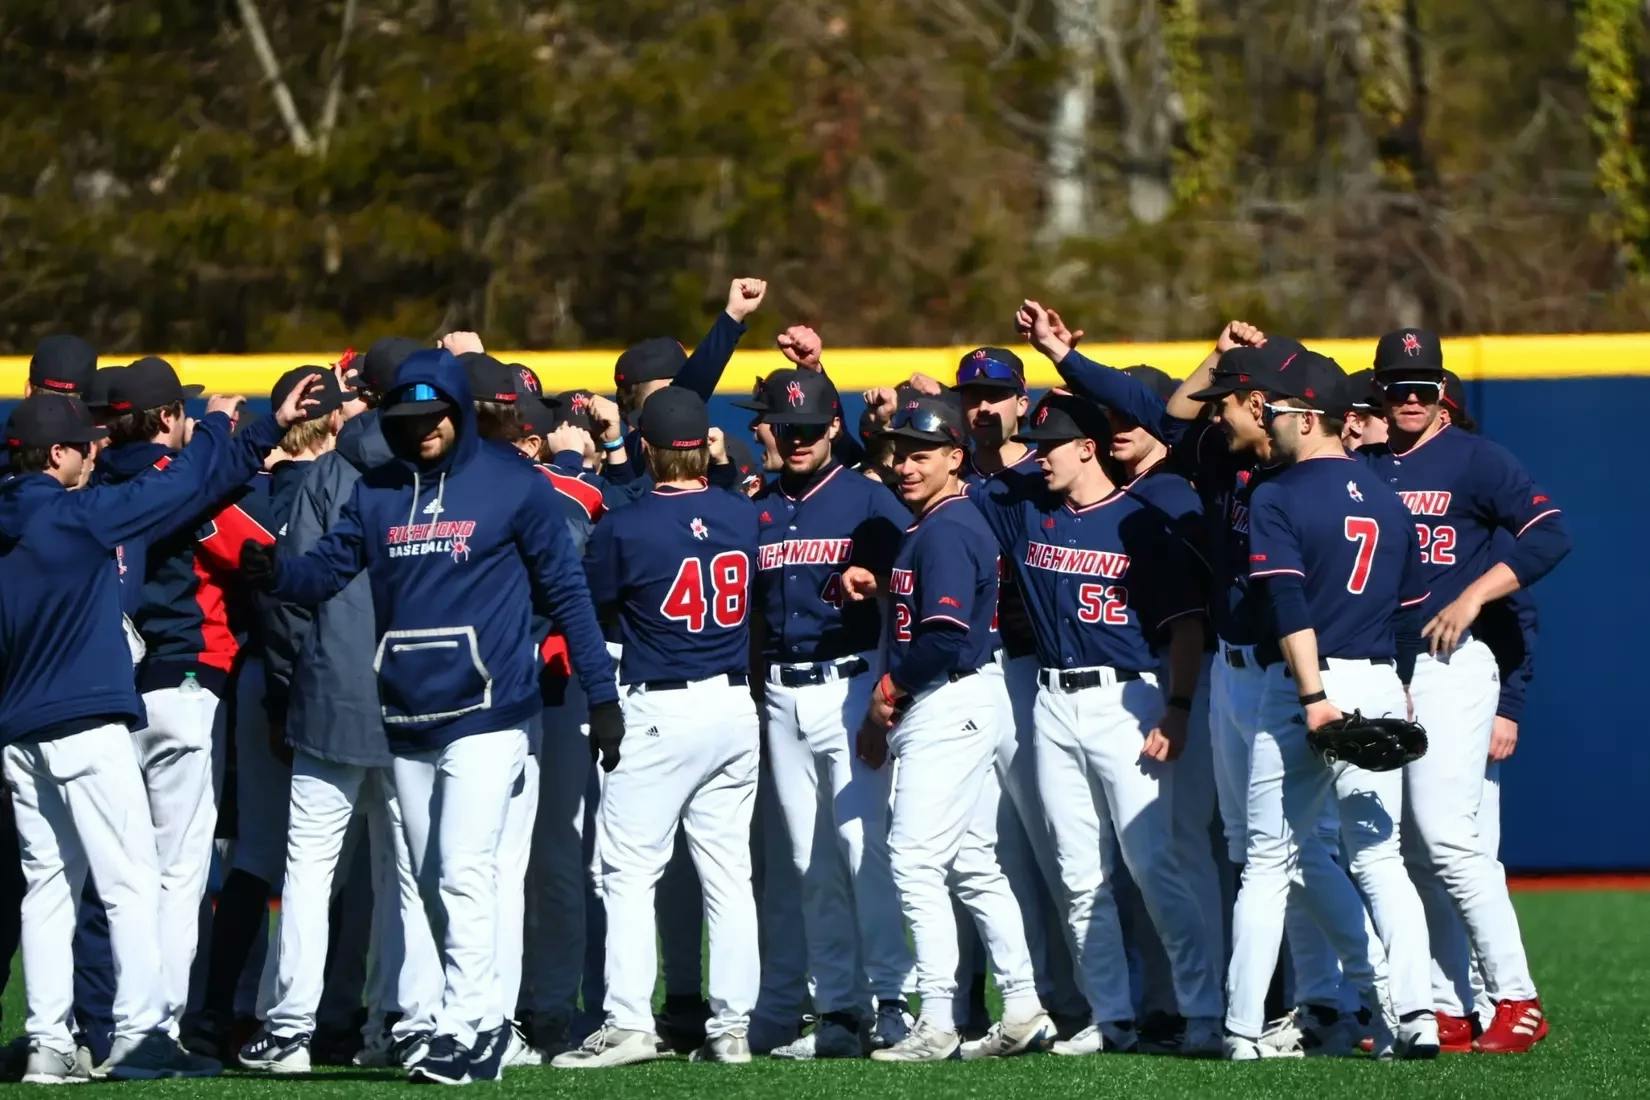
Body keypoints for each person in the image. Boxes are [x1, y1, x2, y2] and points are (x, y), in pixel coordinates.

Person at [242, 348, 621, 1086]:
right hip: (407, 715)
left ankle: (475, 1028)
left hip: (492, 713)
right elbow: (329, 569)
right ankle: (460, 1019)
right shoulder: (379, 491)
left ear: (459, 411)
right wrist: (280, 574)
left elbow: (568, 593)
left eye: (435, 417)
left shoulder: (514, 485)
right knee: (431, 874)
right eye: (408, 419)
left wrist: (601, 696)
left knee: (462, 871)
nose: (423, 432)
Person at [1019, 304, 1362, 1048]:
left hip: (1269, 669)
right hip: (1234, 674)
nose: (1225, 409)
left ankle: (1326, 998)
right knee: (1247, 849)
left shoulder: (1301, 478)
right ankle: (1299, 1004)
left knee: (1289, 850)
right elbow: (1161, 409)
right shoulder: (1221, 456)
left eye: (1238, 396)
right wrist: (1206, 358)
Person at [0, 380, 319, 1082]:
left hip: (18, 732)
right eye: (84, 446)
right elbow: (180, 488)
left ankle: (47, 1041)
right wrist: (235, 430)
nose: (95, 453)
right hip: (83, 721)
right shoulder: (74, 517)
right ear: (56, 455)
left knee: (48, 885)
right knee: (134, 880)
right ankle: (142, 1034)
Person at [968, 390, 1224, 1057]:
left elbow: (1188, 627)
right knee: (1079, 874)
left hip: (1127, 703)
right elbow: (969, 483)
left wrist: (1178, 707)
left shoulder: (1139, 523)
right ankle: (1111, 1017)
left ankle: (1201, 1010)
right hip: (1053, 703)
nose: (1037, 458)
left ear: (1087, 448)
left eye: (1050, 446)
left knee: (1154, 865)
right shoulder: (1029, 513)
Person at [1206, 351, 1437, 1060]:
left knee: (1270, 860)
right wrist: (1394, 686)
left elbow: (1288, 603)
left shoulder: (1279, 494)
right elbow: (1409, 616)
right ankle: (1417, 1018)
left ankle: (1243, 1030)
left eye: (1272, 412)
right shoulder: (1390, 500)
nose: (1263, 425)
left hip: (1306, 685)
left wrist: (1311, 697)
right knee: (1380, 858)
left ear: (1307, 417)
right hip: (1375, 681)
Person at [1363, 328, 1571, 1054]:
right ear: (1381, 392)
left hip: (1455, 663)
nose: (1413, 398)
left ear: (1443, 391)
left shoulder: (1477, 458)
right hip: (1389, 668)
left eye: (1424, 386)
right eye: (1400, 386)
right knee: (1415, 848)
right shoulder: (1367, 464)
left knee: (1451, 838)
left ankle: (1517, 999)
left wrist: (1475, 596)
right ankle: (1450, 1006)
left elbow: (1548, 534)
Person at [239, 338, 444, 1076]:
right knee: (411, 871)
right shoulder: (433, 475)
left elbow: (292, 600)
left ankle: (290, 1026)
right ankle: (410, 1023)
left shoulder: (328, 472)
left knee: (310, 867)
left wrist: (291, 690)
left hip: (329, 693)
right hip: (413, 696)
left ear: (364, 392)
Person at [552, 388, 762, 1069]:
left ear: (646, 447)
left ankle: (630, 1025)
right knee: (729, 873)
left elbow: (593, 607)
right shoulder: (739, 513)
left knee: (628, 871)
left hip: (662, 707)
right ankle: (732, 1028)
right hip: (733, 705)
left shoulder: (628, 525)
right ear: (703, 445)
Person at [843, 393, 1054, 1064]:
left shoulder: (949, 527)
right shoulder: (935, 525)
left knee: (913, 857)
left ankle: (936, 1017)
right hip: (955, 698)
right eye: (898, 452)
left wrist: (889, 689)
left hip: (949, 697)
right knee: (970, 863)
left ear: (956, 458)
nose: (904, 464)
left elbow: (941, 636)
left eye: (921, 453)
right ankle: (1022, 1005)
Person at [732, 368, 915, 1059]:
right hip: (781, 691)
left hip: (851, 680)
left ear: (835, 427)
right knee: (810, 859)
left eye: (810, 427)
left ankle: (892, 999)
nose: (798, 439)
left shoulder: (871, 501)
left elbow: (910, 595)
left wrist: (889, 692)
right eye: (787, 427)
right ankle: (839, 1007)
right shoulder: (759, 504)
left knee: (865, 849)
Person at [92, 355, 276, 1040]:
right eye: (182, 410)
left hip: (115, 693)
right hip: (186, 682)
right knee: (177, 870)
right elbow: (264, 549)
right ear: (166, 418)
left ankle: (101, 1018)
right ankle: (157, 1024)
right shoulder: (179, 487)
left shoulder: (96, 483)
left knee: (115, 872)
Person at [189, 366, 350, 1057]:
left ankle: (221, 1012)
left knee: (258, 854)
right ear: (338, 422)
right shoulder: (347, 494)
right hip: (313, 683)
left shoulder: (249, 490)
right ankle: (319, 1017)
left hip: (257, 675)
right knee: (329, 862)